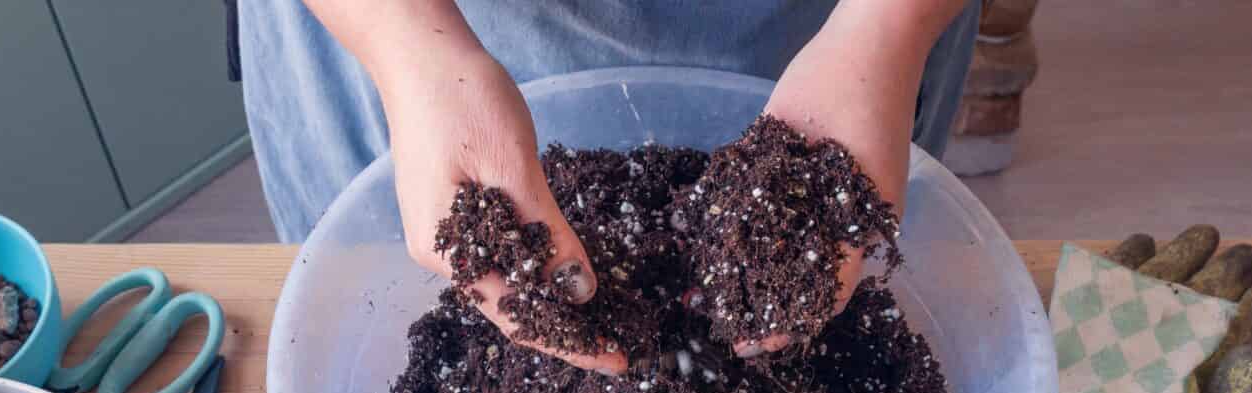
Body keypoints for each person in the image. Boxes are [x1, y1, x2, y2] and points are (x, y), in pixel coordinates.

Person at [239, 0, 979, 372]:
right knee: (383, 334)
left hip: (825, 29)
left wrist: (886, 34)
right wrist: (406, 54)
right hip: (400, 33)